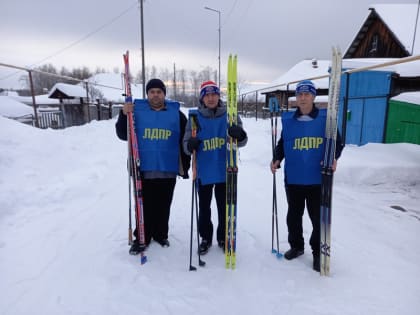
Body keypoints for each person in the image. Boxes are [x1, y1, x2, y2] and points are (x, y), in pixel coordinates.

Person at [270, 80, 344, 271]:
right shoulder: (289, 120)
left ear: (313, 96)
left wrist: (333, 157)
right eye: (300, 94)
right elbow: (282, 143)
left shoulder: (325, 119)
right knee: (293, 216)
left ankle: (318, 253)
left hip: (317, 179)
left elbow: (338, 142)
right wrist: (277, 158)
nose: (302, 98)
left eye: (306, 94)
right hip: (293, 178)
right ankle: (296, 246)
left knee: (317, 218)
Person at [115, 78, 190, 255]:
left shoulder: (177, 114)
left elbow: (186, 137)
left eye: (159, 92)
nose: (155, 95)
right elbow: (122, 134)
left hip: (168, 168)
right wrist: (123, 114)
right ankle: (142, 237)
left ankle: (160, 234)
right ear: (147, 94)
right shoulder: (136, 112)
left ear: (164, 94)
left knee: (164, 205)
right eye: (152, 92)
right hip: (143, 169)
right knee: (144, 205)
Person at [183, 80, 248, 255]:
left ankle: (222, 237)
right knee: (204, 208)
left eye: (214, 94)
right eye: (207, 95)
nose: (211, 98)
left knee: (224, 207)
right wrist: (190, 145)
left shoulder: (230, 114)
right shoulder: (195, 117)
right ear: (202, 98)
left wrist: (239, 134)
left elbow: (242, 140)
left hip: (225, 170)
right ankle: (205, 237)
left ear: (219, 96)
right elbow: (185, 144)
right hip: (203, 170)